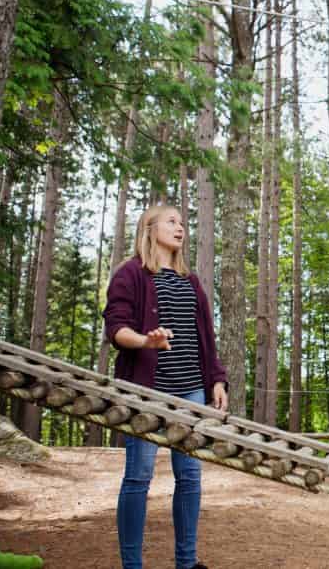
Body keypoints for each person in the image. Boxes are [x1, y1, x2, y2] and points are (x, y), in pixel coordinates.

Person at [103, 205, 228, 569]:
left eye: (183, 223)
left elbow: (205, 336)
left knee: (189, 477)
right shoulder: (130, 274)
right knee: (139, 477)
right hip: (145, 390)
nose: (181, 228)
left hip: (190, 389)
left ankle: (186, 563)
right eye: (172, 221)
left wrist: (217, 379)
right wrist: (146, 341)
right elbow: (116, 328)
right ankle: (132, 565)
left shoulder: (192, 282)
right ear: (149, 227)